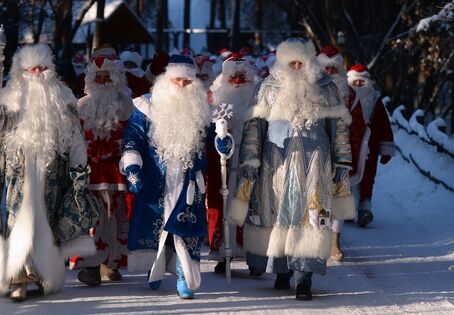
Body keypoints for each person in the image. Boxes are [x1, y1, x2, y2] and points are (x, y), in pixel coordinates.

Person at [0, 44, 100, 301]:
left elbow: (75, 138)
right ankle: (17, 276)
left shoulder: (62, 98)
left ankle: (41, 273)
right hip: (20, 173)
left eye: (43, 68)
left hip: (53, 174)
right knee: (19, 219)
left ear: (50, 70)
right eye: (32, 69)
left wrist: (79, 165)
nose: (38, 73)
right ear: (21, 72)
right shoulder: (9, 97)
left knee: (47, 224)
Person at [228, 38, 352, 300]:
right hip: (277, 165)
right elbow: (254, 128)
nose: (296, 67)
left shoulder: (327, 88)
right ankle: (282, 271)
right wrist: (250, 162)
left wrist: (341, 163)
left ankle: (304, 278)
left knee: (311, 220)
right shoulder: (267, 87)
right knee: (277, 216)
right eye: (291, 62)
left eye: (301, 62)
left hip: (315, 165)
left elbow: (339, 129)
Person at [120, 54, 230, 300]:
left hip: (191, 182)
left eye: (187, 82)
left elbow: (216, 143)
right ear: (167, 79)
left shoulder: (202, 108)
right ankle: (155, 268)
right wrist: (132, 165)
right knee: (156, 229)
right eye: (177, 80)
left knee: (186, 230)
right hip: (155, 181)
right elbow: (133, 137)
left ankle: (184, 276)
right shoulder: (146, 106)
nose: (182, 86)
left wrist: (223, 140)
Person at [72, 46, 133, 286]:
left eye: (107, 75)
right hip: (90, 172)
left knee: (115, 218)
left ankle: (112, 262)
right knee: (91, 218)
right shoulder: (81, 106)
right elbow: (74, 139)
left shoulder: (127, 105)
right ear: (91, 79)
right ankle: (91, 266)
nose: (103, 80)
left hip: (117, 171)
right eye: (99, 76)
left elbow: (134, 135)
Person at [206, 55, 259, 274]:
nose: (237, 82)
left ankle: (255, 258)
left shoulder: (258, 99)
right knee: (224, 209)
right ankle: (224, 255)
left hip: (251, 163)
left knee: (253, 209)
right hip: (224, 166)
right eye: (233, 77)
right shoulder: (217, 100)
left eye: (242, 77)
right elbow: (209, 132)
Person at [317, 45, 357, 261]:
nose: (331, 75)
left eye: (335, 70)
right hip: (318, 149)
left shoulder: (349, 94)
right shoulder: (312, 90)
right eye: (327, 70)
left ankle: (335, 242)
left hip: (341, 151)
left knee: (339, 196)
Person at [347, 64, 395, 227]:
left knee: (367, 177)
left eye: (362, 82)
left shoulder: (374, 99)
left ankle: (364, 209)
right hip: (348, 145)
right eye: (356, 82)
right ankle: (348, 207)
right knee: (347, 176)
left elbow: (383, 124)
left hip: (369, 147)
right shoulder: (343, 97)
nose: (359, 85)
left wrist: (386, 147)